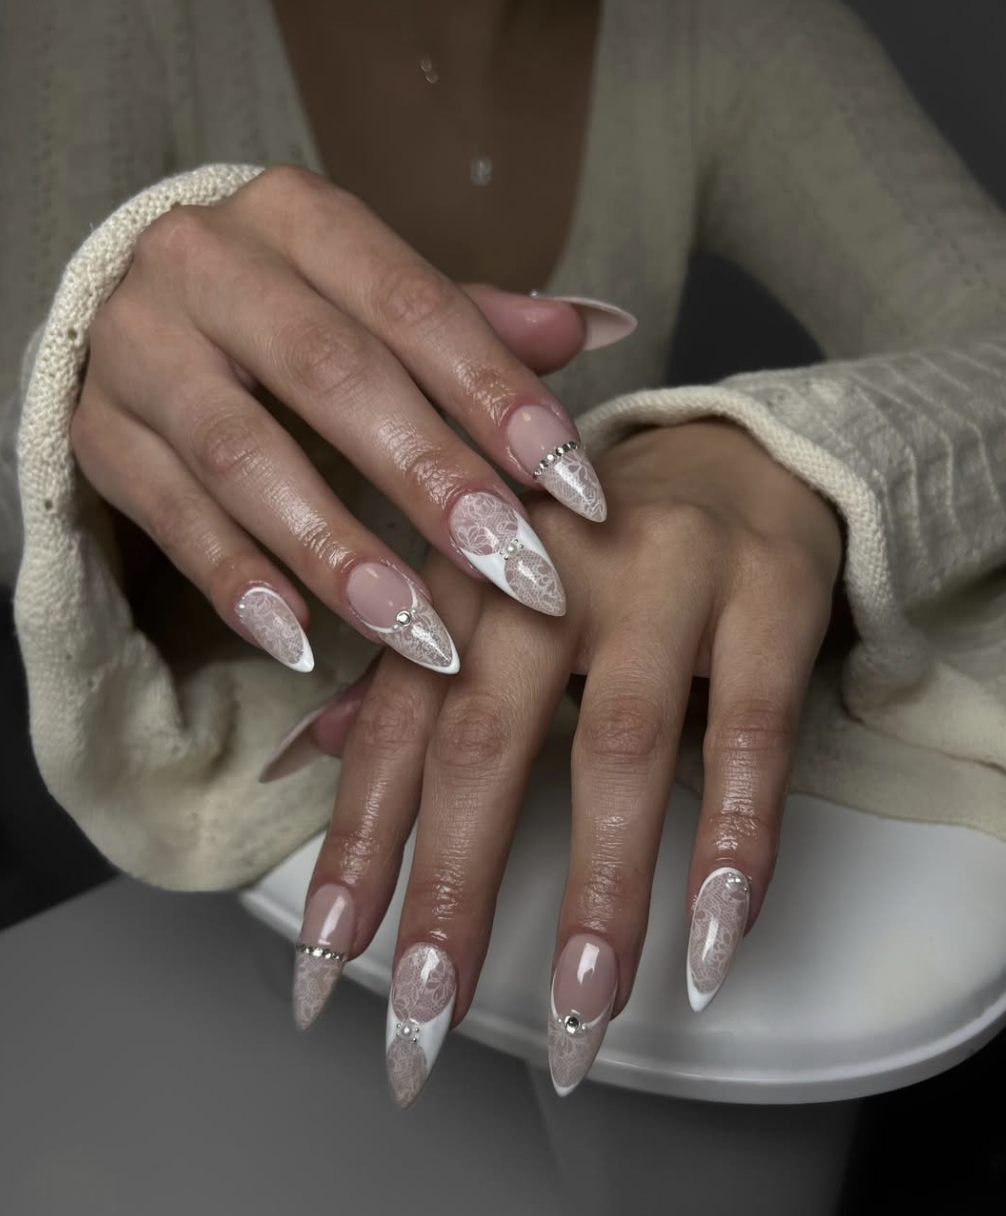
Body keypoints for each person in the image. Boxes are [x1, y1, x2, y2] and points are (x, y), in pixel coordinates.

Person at [3, 0, 1005, 1107]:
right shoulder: (107, 26)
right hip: (169, 921)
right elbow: (25, 537)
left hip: (575, 853)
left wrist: (778, 454)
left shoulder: (727, 32)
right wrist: (88, 361)